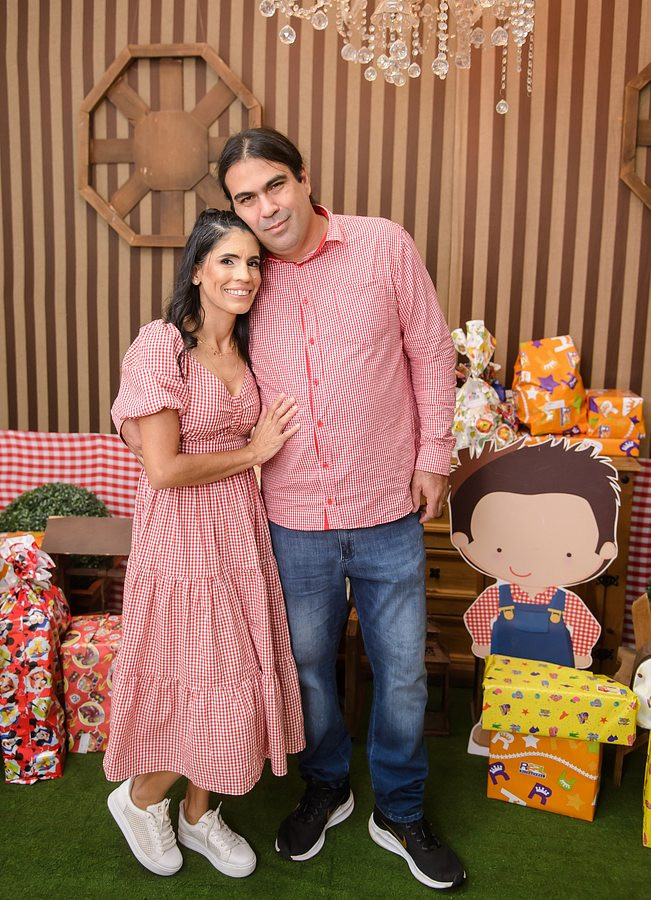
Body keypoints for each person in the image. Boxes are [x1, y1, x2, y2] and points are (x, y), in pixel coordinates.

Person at [121, 128, 464, 890]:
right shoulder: (247, 275)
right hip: (288, 517)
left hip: (387, 506)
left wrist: (432, 455)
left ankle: (400, 810)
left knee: (403, 673)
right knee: (305, 669)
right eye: (245, 198)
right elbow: (187, 363)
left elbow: (431, 351)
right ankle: (326, 785)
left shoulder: (382, 246)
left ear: (303, 177)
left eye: (274, 185)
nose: (266, 207)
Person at [104, 209, 305, 879]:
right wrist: (251, 452)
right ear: (196, 270)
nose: (244, 275)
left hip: (240, 534)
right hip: (181, 540)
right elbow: (163, 469)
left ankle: (197, 813)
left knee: (232, 680)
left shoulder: (251, 348)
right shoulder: (162, 345)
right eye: (227, 260)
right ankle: (140, 799)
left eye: (253, 263)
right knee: (196, 679)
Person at [450, 439, 618, 667]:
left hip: (556, 674)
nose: (525, 564)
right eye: (500, 549)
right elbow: (475, 617)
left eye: (567, 554)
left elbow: (587, 627)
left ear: (605, 549)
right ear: (463, 538)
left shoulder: (566, 602)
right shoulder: (496, 597)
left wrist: (580, 652)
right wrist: (482, 641)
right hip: (503, 672)